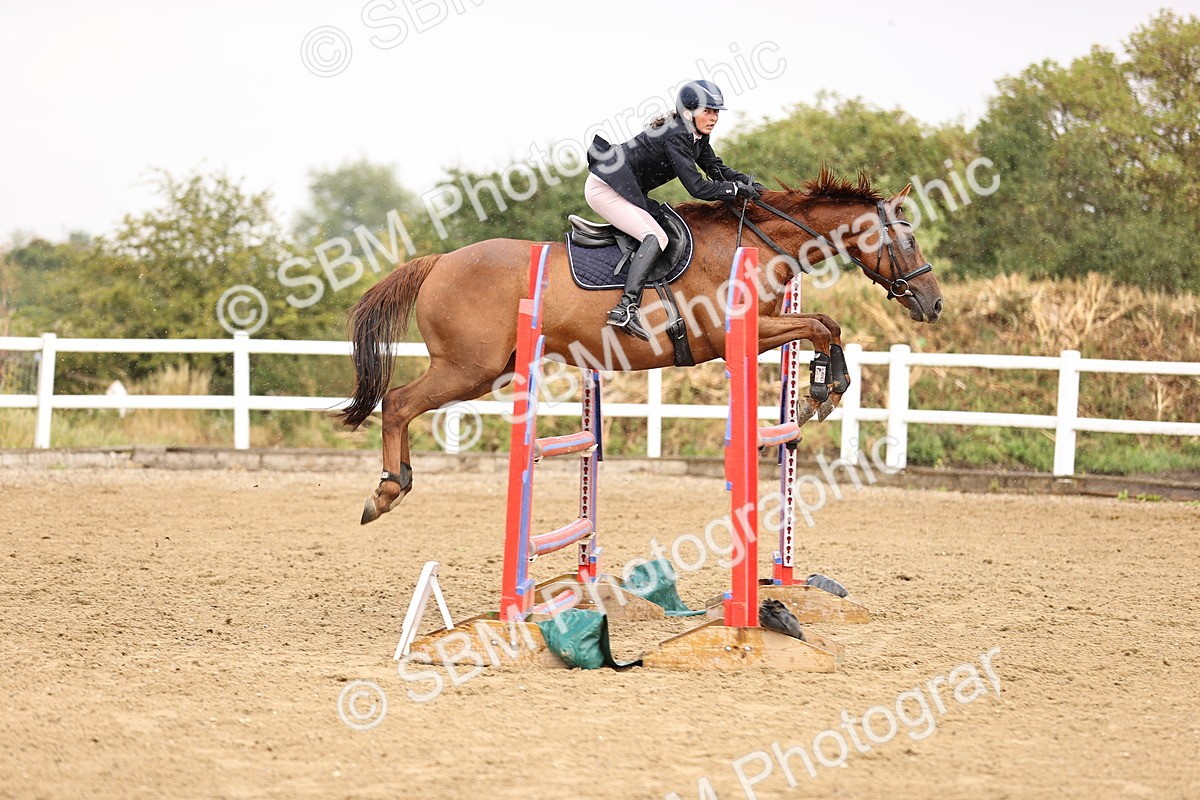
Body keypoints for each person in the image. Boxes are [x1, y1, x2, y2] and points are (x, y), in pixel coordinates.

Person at [585, 79, 764, 340]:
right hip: (605, 188)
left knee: (662, 229)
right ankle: (626, 308)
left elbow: (716, 168)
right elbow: (697, 187)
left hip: (620, 188)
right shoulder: (677, 134)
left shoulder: (697, 136)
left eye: (716, 112)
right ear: (688, 112)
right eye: (708, 111)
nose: (713, 118)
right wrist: (734, 191)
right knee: (656, 237)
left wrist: (751, 184)